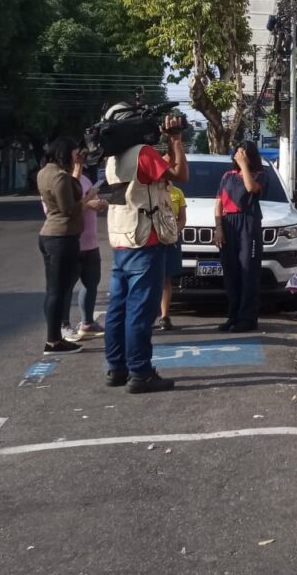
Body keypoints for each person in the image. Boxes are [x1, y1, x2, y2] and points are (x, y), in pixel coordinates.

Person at [104, 115, 187, 393]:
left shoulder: (113, 158)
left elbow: (152, 178)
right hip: (146, 240)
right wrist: (175, 139)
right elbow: (180, 175)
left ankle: (117, 368)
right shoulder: (143, 153)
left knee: (118, 307)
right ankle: (140, 372)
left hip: (122, 238)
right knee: (140, 311)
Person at [37, 138, 92, 355]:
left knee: (53, 290)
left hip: (50, 235)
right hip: (61, 236)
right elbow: (69, 208)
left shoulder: (44, 172)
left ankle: (54, 338)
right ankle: (53, 341)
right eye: (73, 153)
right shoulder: (59, 176)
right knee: (58, 291)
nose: (76, 156)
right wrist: (89, 199)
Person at [214, 141, 268, 333]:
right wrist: (218, 227)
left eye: (243, 152)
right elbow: (219, 202)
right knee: (231, 272)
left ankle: (247, 318)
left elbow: (250, 188)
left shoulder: (259, 175)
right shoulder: (227, 176)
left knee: (248, 271)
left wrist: (245, 165)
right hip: (229, 223)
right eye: (237, 152)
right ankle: (233, 315)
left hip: (248, 223)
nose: (239, 155)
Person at [64, 162, 108, 339]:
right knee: (66, 287)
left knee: (91, 283)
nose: (80, 162)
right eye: (76, 157)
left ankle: (88, 322)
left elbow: (90, 200)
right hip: (72, 242)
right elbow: (68, 209)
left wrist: (100, 203)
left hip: (91, 242)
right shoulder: (63, 181)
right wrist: (90, 201)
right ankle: (64, 325)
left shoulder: (85, 180)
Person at [156, 181, 187, 331]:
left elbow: (182, 219)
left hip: (171, 240)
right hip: (154, 240)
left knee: (166, 278)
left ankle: (164, 316)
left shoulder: (178, 193)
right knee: (151, 278)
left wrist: (173, 232)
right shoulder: (152, 191)